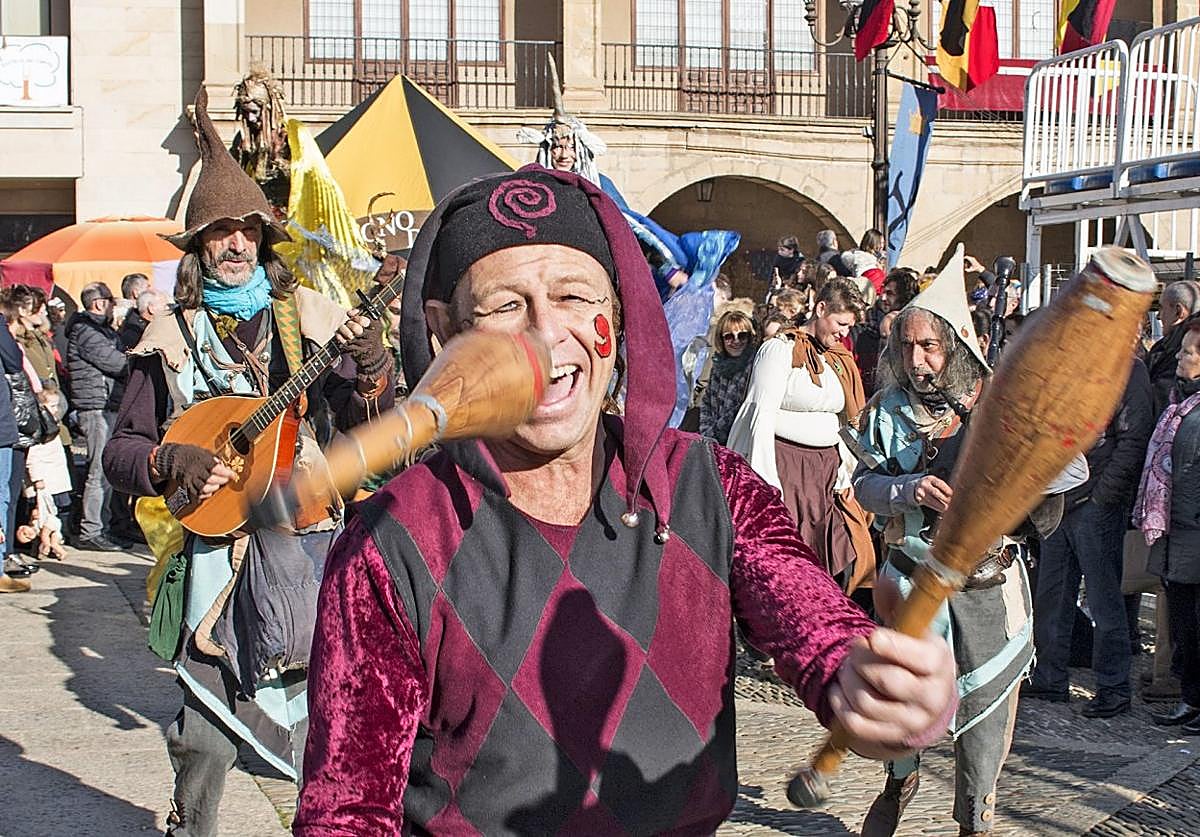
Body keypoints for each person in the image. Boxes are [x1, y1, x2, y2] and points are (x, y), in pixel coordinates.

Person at [292, 167, 958, 834]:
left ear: (616, 311)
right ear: (445, 333)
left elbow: (815, 626)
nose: (548, 334)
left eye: (575, 297)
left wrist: (874, 684)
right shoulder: (392, 543)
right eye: (505, 306)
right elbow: (346, 812)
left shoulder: (707, 486)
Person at [102, 88, 396, 837]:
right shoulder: (167, 335)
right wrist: (171, 458)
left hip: (305, 545)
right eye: (220, 233)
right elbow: (121, 450)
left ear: (264, 240)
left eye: (247, 231)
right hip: (213, 556)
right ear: (199, 247)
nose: (235, 244)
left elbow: (370, 428)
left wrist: (370, 369)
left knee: (324, 720)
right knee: (203, 735)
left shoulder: (312, 321)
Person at [846, 248, 1082, 837]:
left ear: (954, 344)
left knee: (987, 712)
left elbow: (1071, 470)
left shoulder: (1000, 403)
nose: (916, 359)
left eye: (928, 346)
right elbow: (864, 485)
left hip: (988, 583)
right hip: (914, 581)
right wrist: (906, 488)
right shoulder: (887, 411)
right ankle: (900, 781)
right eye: (906, 346)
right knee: (902, 700)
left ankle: (976, 818)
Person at [727, 277, 875, 591]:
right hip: (787, 469)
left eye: (849, 326)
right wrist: (767, 484)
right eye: (840, 323)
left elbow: (846, 421)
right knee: (786, 564)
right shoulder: (779, 350)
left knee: (831, 560)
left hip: (825, 474)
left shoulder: (837, 358)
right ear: (820, 308)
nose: (844, 333)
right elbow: (760, 413)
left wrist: (846, 470)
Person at [1026, 352, 1153, 716]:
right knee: (1052, 595)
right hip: (1057, 499)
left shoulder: (1129, 369)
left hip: (1095, 501)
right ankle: (1050, 678)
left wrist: (1103, 496)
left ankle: (1113, 687)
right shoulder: (1068, 360)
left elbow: (1133, 440)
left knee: (1103, 601)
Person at [1136, 320, 1200, 734]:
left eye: (1189, 353)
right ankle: (1192, 699)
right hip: (1176, 536)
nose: (1180, 356)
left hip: (1196, 534)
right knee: (1184, 627)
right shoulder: (1180, 402)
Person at [66, 282, 128, 552]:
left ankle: (99, 526)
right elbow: (116, 362)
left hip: (105, 404)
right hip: (95, 408)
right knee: (98, 470)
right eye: (111, 301)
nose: (114, 305)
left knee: (105, 471)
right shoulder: (86, 331)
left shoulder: (100, 329)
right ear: (98, 304)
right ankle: (91, 530)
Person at [699, 309, 758, 446]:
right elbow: (707, 401)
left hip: (737, 441)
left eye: (742, 335)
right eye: (729, 337)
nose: (736, 341)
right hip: (711, 441)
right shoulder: (718, 365)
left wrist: (713, 433)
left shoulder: (753, 366)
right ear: (721, 339)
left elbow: (740, 408)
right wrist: (706, 432)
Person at [1146, 280, 1200, 417]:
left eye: (1162, 308)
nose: (1158, 315)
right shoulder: (1165, 346)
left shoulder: (1174, 351)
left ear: (1178, 311)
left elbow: (1156, 402)